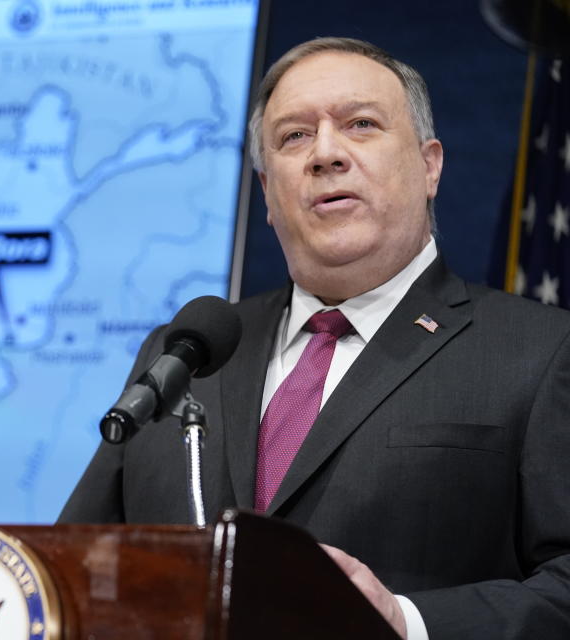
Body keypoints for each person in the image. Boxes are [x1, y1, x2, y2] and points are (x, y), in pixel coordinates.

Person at [58, 37, 570, 640]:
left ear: (430, 165)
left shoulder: (541, 351)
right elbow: (74, 567)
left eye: (361, 124)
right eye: (294, 136)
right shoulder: (184, 352)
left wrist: (407, 623)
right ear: (268, 191)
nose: (326, 153)